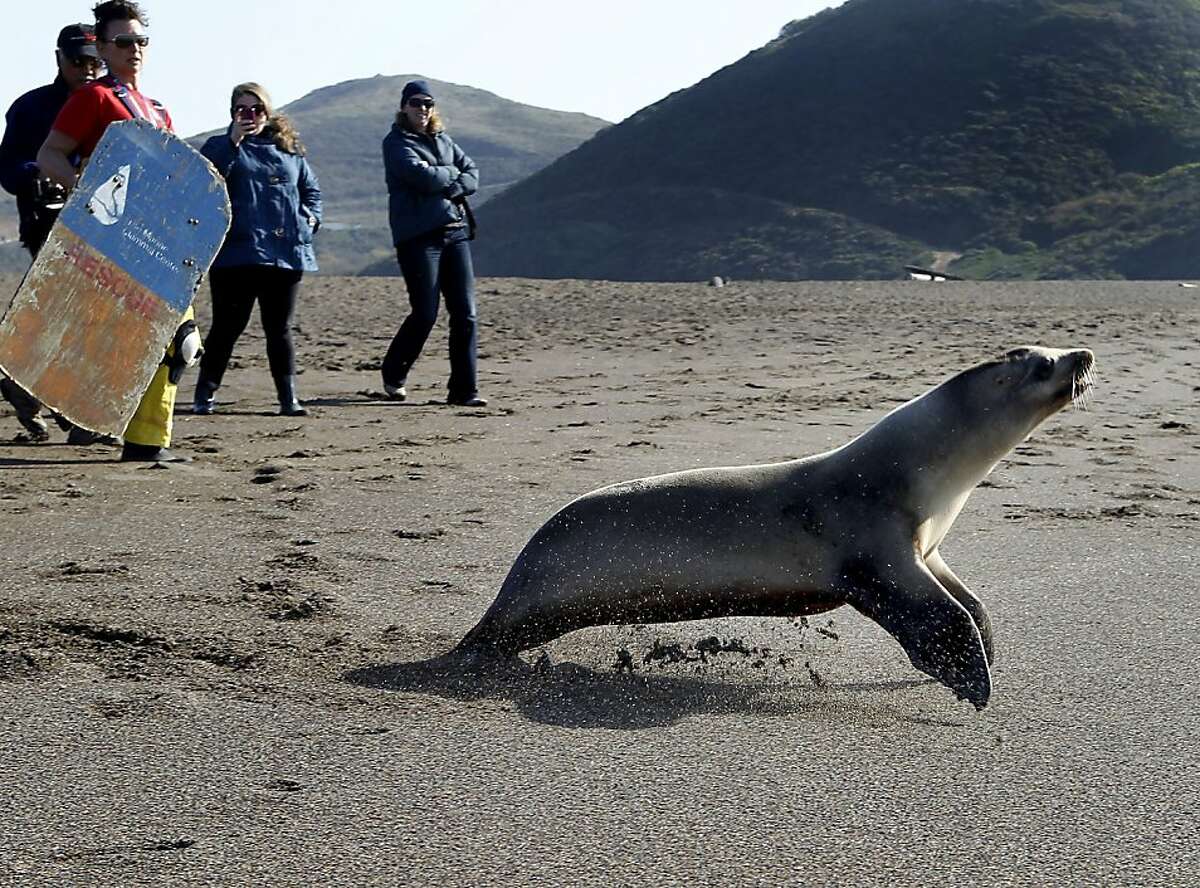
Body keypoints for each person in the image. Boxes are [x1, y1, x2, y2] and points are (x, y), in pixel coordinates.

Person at [37, 1, 199, 463]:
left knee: (177, 344)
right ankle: (140, 441)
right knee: (170, 341)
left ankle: (146, 440)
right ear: (103, 48)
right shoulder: (93, 98)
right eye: (124, 42)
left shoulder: (158, 109)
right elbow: (51, 155)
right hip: (117, 242)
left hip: (160, 241)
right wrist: (91, 198)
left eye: (140, 41)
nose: (135, 50)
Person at [0, 23, 105, 443]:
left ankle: (17, 379)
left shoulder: (112, 103)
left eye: (95, 61)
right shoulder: (31, 108)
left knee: (67, 319)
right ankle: (74, 416)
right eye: (78, 61)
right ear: (59, 58)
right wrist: (39, 175)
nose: (87, 69)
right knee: (77, 319)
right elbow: (8, 168)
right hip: (49, 225)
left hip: (106, 229)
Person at [192, 83, 321, 417]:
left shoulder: (289, 149)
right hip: (237, 254)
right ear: (232, 113)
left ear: (268, 112)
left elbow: (311, 191)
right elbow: (206, 182)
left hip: (285, 253)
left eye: (256, 109)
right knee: (227, 326)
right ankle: (205, 393)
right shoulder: (220, 146)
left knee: (279, 328)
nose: (249, 116)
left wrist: (309, 221)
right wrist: (233, 141)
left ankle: (288, 398)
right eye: (242, 110)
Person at [380, 80, 486, 407]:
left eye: (428, 103)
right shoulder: (395, 142)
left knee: (465, 314)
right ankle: (393, 372)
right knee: (425, 312)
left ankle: (464, 391)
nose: (422, 109)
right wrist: (451, 175)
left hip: (454, 232)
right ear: (404, 106)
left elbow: (472, 174)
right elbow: (421, 177)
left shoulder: (444, 139)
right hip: (418, 237)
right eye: (416, 103)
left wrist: (448, 177)